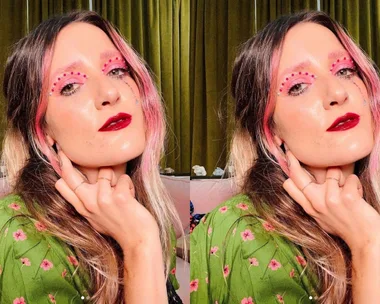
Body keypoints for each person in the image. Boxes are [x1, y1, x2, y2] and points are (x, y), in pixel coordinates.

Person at [190, 11, 380, 304]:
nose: (337, 92)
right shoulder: (245, 232)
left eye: (344, 70)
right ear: (271, 130)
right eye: (298, 86)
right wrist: (368, 244)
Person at [0, 11, 183, 304]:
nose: (109, 92)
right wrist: (139, 246)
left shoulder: (143, 214)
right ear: (42, 129)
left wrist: (142, 238)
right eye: (70, 85)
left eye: (116, 71)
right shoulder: (17, 232)